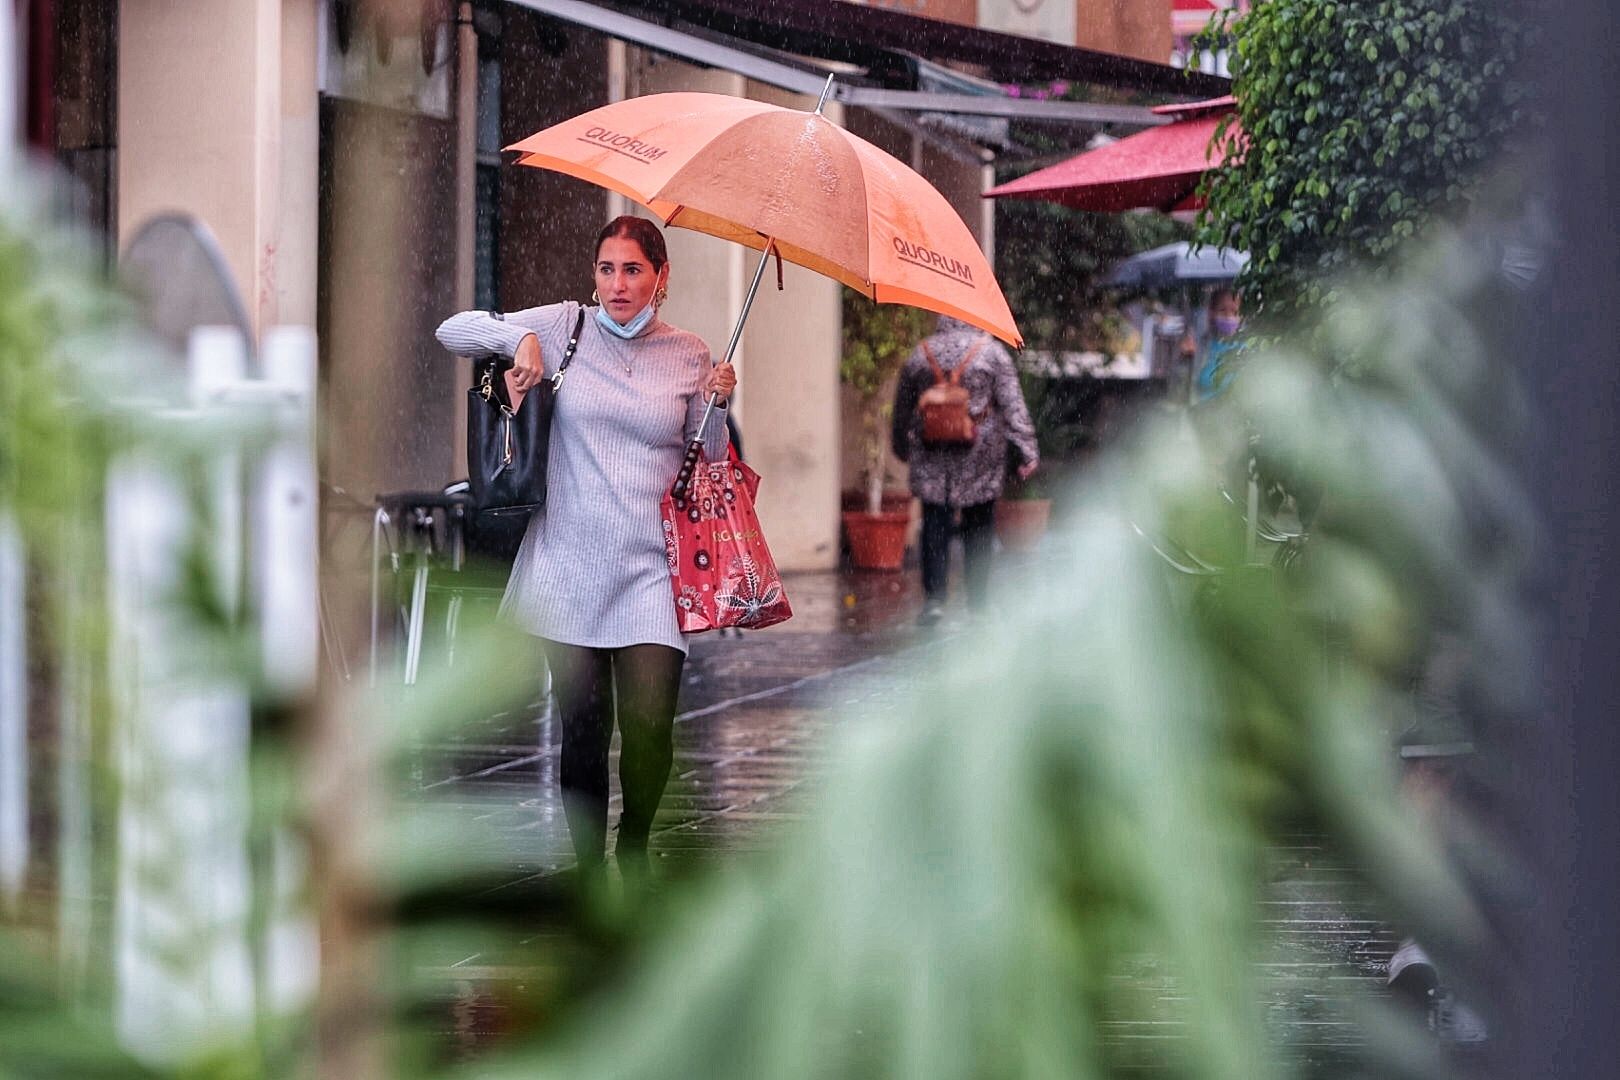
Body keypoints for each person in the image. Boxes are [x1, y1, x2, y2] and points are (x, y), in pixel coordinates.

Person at [435, 216, 735, 892]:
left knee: (651, 726)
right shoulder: (565, 324)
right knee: (583, 729)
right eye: (606, 269)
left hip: (650, 569)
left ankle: (633, 844)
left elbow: (708, 459)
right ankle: (585, 872)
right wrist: (521, 340)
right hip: (567, 566)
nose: (617, 284)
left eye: (632, 270)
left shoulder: (690, 353)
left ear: (661, 277)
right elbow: (452, 330)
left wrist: (718, 404)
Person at [891, 315, 1038, 626]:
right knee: (980, 526)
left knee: (934, 524)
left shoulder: (921, 354)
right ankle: (978, 604)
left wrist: (900, 446)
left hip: (932, 451)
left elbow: (902, 408)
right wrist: (1026, 449)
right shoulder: (992, 354)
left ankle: (934, 600)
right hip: (980, 451)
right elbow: (1013, 405)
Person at [1179, 287, 1245, 401]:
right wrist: (1184, 359)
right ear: (1211, 313)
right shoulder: (1199, 345)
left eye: (1235, 312)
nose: (1229, 317)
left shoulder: (1247, 349)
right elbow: (1179, 390)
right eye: (1223, 310)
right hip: (1200, 414)